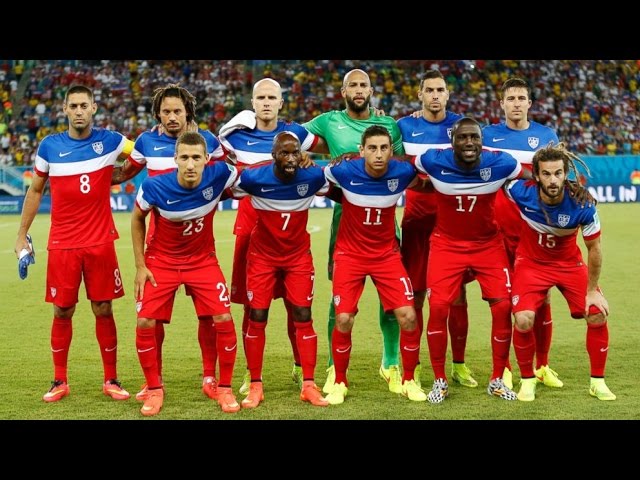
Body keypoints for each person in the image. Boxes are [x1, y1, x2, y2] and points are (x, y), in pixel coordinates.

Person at [14, 84, 132, 403]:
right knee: (62, 310)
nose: (79, 111)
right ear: (64, 109)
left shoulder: (111, 140)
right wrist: (21, 233)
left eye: (84, 105)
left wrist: (117, 174)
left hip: (100, 241)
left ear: (94, 108)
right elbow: (36, 190)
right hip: (63, 243)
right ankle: (59, 381)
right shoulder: (49, 147)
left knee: (103, 307)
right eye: (73, 106)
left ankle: (111, 379)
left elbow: (142, 154)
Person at [112, 83, 226, 402]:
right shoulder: (147, 141)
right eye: (166, 111)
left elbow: (228, 174)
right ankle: (154, 382)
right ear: (157, 114)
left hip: (200, 244)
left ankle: (210, 377)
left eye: (177, 110)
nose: (172, 116)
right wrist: (89, 174)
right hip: (160, 246)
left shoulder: (208, 141)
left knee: (209, 314)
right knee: (153, 316)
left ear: (187, 111)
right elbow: (124, 173)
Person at [303, 68, 406, 395]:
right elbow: (291, 137)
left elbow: (400, 162)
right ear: (343, 91)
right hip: (344, 222)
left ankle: (390, 363)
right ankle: (335, 367)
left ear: (371, 90)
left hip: (385, 223)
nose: (359, 90)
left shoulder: (389, 125)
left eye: (364, 84)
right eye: (353, 85)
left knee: (391, 300)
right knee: (340, 301)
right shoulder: (328, 121)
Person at [218, 78, 320, 395]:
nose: (265, 102)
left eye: (271, 97)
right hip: (250, 229)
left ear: (280, 102)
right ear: (252, 101)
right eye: (260, 97)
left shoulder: (296, 135)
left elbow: (328, 146)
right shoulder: (236, 136)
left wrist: (308, 158)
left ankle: (301, 366)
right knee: (252, 307)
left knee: (296, 304)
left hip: (288, 231)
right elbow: (212, 157)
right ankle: (253, 375)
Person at [414, 117, 526, 404]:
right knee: (438, 308)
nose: (469, 143)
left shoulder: (502, 163)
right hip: (446, 245)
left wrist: (570, 185)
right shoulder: (432, 160)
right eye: (462, 137)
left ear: (481, 140)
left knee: (503, 308)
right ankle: (439, 380)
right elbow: (404, 167)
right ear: (452, 141)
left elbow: (532, 174)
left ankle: (497, 379)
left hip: (488, 246)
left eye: (474, 137)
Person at [131, 131, 241, 416]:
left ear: (207, 159)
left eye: (196, 158)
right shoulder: (154, 186)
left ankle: (224, 388)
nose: (190, 164)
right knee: (145, 322)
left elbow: (252, 175)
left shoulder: (221, 174)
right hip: (162, 261)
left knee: (223, 317)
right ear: (175, 159)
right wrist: (141, 265)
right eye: (184, 158)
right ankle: (154, 389)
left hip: (202, 260)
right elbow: (137, 218)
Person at [229, 131, 333, 408]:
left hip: (298, 258)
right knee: (257, 315)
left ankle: (309, 384)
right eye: (284, 153)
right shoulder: (254, 178)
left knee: (303, 314)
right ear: (273, 155)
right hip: (262, 258)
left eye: (295, 153)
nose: (290, 158)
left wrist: (348, 156)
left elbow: (341, 175)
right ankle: (255, 385)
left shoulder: (313, 176)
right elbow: (225, 185)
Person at [323, 125, 425, 405]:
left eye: (384, 148)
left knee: (409, 316)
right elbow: (315, 176)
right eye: (372, 148)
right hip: (350, 255)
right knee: (343, 318)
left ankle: (408, 380)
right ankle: (339, 381)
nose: (378, 154)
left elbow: (424, 172)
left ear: (392, 151)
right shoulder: (343, 170)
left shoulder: (402, 172)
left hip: (386, 256)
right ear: (361, 150)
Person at [505, 142, 615, 401]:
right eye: (546, 173)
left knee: (597, 313)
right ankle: (528, 380)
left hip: (569, 265)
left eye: (558, 173)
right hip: (530, 264)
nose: (552, 180)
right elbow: (500, 176)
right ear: (536, 174)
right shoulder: (520, 191)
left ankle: (597, 382)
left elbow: (594, 249)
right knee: (523, 320)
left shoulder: (582, 204)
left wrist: (592, 291)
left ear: (566, 174)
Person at [397, 69, 476, 389]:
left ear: (447, 94)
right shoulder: (404, 126)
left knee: (457, 296)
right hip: (416, 220)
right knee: (413, 296)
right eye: (428, 89)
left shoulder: (462, 127)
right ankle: (411, 367)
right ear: (420, 94)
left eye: (440, 89)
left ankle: (458, 364)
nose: (434, 95)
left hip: (452, 221)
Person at [483, 77, 561, 390]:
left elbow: (556, 178)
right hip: (497, 232)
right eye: (511, 98)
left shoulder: (546, 135)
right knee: (502, 303)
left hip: (536, 232)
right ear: (501, 104)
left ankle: (542, 365)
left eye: (521, 98)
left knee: (541, 300)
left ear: (530, 103)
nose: (516, 103)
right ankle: (501, 368)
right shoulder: (487, 136)